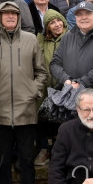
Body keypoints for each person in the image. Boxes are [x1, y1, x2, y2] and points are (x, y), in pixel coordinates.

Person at [0, 2, 47, 184]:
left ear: (19, 17)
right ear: (0, 18)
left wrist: (33, 91)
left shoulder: (31, 40)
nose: (10, 17)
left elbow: (42, 71)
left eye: (14, 14)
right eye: (6, 14)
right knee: (2, 162)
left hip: (26, 111)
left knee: (27, 161)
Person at [50, 0, 93, 119]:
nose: (83, 17)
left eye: (88, 13)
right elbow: (55, 64)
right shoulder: (67, 37)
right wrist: (65, 79)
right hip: (72, 104)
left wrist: (81, 82)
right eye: (79, 14)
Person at [35, 10, 69, 166]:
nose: (56, 25)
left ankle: (59, 151)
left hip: (64, 88)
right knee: (43, 120)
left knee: (62, 123)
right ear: (47, 27)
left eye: (58, 21)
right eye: (52, 22)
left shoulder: (70, 38)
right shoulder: (41, 41)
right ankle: (44, 149)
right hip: (45, 88)